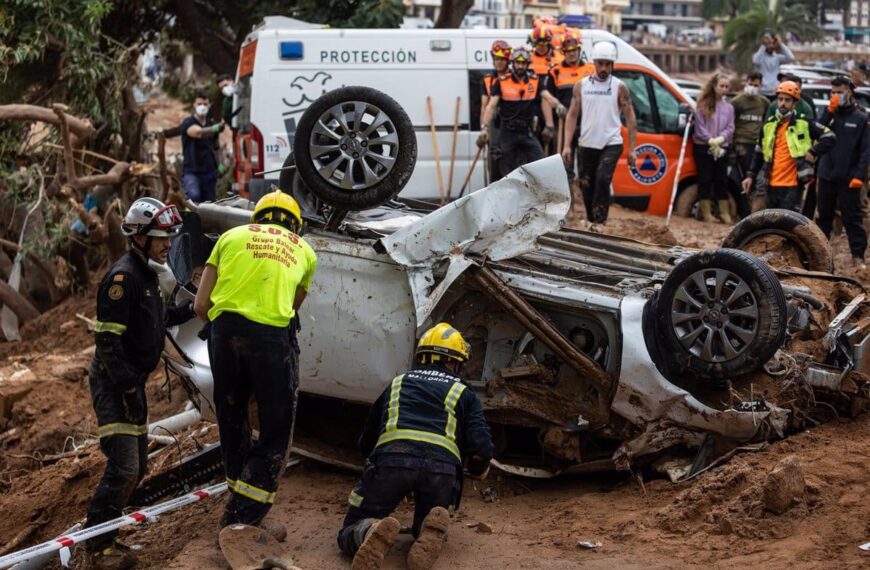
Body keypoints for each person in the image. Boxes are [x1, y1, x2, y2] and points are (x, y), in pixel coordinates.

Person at [194, 190, 317, 535]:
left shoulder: (230, 237)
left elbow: (200, 305)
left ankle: (237, 499)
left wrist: (221, 331)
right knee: (276, 429)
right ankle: (243, 519)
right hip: (271, 341)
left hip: (225, 335)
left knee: (232, 419)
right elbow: (292, 307)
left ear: (256, 218)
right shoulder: (304, 250)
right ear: (296, 225)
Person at [83, 198, 193, 570]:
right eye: (161, 237)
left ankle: (108, 535)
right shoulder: (122, 278)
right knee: (125, 467)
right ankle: (97, 548)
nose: (168, 243)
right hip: (115, 385)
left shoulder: (148, 276)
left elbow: (160, 320)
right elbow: (108, 343)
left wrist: (197, 307)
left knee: (139, 467)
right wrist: (129, 388)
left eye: (169, 237)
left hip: (131, 385)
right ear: (140, 237)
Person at [336, 323, 494, 570]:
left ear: (421, 357)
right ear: (456, 362)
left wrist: (375, 468)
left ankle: (369, 529)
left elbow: (368, 436)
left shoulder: (398, 382)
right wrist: (478, 468)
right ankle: (426, 532)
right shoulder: (464, 392)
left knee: (351, 527)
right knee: (432, 515)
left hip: (392, 460)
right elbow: (480, 447)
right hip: (441, 471)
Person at [561, 41, 638, 225]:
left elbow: (630, 117)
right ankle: (591, 220)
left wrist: (633, 148)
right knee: (586, 184)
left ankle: (600, 221)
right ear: (594, 63)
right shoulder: (581, 86)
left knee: (603, 178)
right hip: (586, 142)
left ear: (612, 65)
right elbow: (572, 115)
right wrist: (566, 145)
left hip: (611, 142)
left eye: (607, 64)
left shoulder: (620, 87)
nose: (604, 68)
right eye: (600, 64)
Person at [742, 81, 836, 212]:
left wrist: (814, 151)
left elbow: (830, 136)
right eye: (780, 99)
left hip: (794, 185)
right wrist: (750, 176)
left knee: (789, 227)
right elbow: (758, 154)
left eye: (787, 100)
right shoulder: (768, 125)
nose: (783, 103)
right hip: (769, 185)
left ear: (794, 103)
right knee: (769, 224)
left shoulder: (804, 123)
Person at [478, 48, 564, 175]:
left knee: (540, 162)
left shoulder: (534, 81)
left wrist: (558, 106)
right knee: (506, 171)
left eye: (523, 63)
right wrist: (484, 127)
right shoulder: (501, 82)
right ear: (513, 63)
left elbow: (547, 97)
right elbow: (490, 106)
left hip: (526, 132)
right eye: (517, 63)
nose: (520, 66)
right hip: (507, 133)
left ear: (527, 64)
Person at [816, 76, 870, 269]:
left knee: (853, 219)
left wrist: (859, 176)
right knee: (823, 218)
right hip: (827, 175)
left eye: (840, 91)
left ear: (849, 92)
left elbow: (866, 151)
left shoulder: (861, 118)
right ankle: (819, 256)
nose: (836, 95)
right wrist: (828, 113)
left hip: (849, 178)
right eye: (833, 92)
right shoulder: (829, 115)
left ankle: (858, 258)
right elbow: (817, 133)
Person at [543, 33, 595, 175]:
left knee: (587, 168)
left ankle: (584, 196)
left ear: (579, 50)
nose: (571, 54)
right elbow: (546, 97)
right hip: (564, 125)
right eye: (568, 51)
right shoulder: (555, 71)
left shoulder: (591, 70)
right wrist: (550, 124)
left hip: (587, 125)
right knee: (565, 166)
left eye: (574, 50)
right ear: (563, 52)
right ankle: (569, 195)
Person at [693, 73, 735, 224]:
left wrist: (721, 139)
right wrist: (710, 139)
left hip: (721, 147)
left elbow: (730, 127)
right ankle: (706, 213)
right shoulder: (703, 105)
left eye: (726, 86)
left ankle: (724, 213)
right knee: (705, 179)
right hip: (703, 146)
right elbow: (699, 126)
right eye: (721, 86)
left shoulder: (729, 107)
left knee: (721, 179)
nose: (724, 89)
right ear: (714, 86)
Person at [730, 71, 770, 212]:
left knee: (756, 178)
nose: (752, 87)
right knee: (743, 178)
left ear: (760, 85)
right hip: (742, 144)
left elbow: (767, 122)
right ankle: (743, 210)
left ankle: (753, 209)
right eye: (750, 84)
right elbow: (730, 124)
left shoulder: (764, 102)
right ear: (746, 82)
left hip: (758, 145)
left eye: (756, 85)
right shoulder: (737, 102)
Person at [180, 91, 224, 203]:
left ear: (209, 105)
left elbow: (217, 147)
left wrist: (221, 164)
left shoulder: (211, 123)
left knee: (209, 203)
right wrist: (215, 128)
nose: (202, 107)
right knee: (193, 196)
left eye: (205, 104)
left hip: (209, 172)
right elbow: (198, 133)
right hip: (192, 171)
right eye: (199, 104)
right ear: (194, 105)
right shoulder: (188, 123)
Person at [482, 40, 512, 182]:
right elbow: (485, 105)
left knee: (510, 165)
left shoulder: (513, 78)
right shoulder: (488, 79)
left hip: (509, 123)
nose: (499, 62)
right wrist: (483, 129)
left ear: (508, 61)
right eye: (496, 59)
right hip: (493, 124)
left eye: (502, 59)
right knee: (494, 164)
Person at [752, 31, 795, 97]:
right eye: (768, 44)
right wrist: (763, 45)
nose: (771, 46)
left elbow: (791, 58)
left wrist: (780, 43)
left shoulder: (777, 58)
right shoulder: (759, 56)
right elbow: (756, 61)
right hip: (762, 92)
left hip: (775, 92)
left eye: (773, 43)